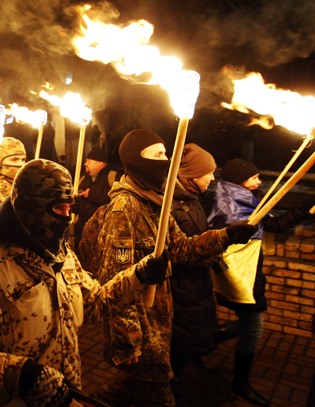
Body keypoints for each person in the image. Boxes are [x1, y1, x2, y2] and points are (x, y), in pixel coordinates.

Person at [0, 159, 170, 407]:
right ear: (31, 208)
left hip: (69, 397)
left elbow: (96, 303)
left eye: (70, 208)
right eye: (58, 208)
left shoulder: (64, 257)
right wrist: (22, 376)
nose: (67, 218)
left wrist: (138, 276)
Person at [78, 129, 257, 407]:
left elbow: (182, 248)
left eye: (166, 153)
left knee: (126, 391)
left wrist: (226, 236)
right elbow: (115, 283)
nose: (166, 160)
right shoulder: (124, 211)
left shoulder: (155, 203)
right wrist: (128, 341)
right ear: (136, 160)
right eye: (158, 154)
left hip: (161, 325)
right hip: (143, 334)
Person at [208, 158, 312, 406]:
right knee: (254, 328)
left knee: (248, 325)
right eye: (254, 177)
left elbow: (274, 224)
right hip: (238, 274)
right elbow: (265, 226)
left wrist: (303, 207)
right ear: (240, 180)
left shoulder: (244, 199)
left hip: (244, 272)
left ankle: (205, 341)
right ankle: (240, 382)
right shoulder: (233, 205)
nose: (259, 180)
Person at [168, 144, 224, 407]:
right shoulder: (170, 204)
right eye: (208, 172)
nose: (212, 177)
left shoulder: (191, 200)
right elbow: (176, 250)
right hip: (180, 290)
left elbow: (198, 237)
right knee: (175, 356)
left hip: (194, 287)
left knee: (185, 349)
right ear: (192, 174)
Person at [71, 147, 122, 255]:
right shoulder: (83, 179)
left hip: (103, 234)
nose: (85, 164)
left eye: (88, 161)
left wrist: (92, 194)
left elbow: (118, 199)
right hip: (82, 233)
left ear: (100, 162)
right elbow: (78, 206)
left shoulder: (114, 178)